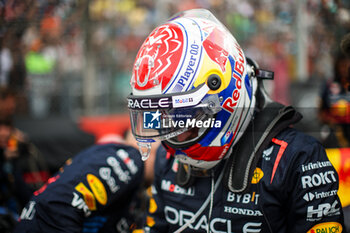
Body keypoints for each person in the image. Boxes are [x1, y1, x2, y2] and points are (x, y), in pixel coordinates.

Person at [127, 9, 345, 232]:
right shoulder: (167, 157)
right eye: (164, 120)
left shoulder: (297, 159)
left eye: (185, 117)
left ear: (224, 98)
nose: (175, 134)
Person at [13, 128, 158, 233]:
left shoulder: (116, 160)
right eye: (164, 155)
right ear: (149, 150)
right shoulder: (129, 159)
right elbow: (56, 205)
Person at [318, 52, 350, 148]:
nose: (344, 70)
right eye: (341, 66)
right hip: (334, 131)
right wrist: (331, 121)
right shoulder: (329, 86)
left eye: (346, 66)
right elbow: (321, 112)